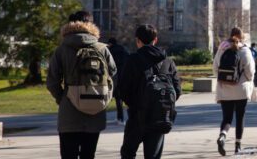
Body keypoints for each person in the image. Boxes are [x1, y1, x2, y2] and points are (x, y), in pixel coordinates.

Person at [46, 11, 117, 159]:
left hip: (69, 111)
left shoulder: (62, 49)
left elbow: (52, 81)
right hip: (95, 109)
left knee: (68, 155)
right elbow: (114, 76)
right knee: (88, 154)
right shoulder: (102, 49)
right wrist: (105, 97)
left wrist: (64, 98)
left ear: (69, 25)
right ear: (91, 25)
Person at [119, 24, 181, 159]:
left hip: (137, 116)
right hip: (160, 117)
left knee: (128, 153)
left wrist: (136, 103)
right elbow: (177, 90)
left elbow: (123, 89)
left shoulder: (132, 60)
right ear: (155, 40)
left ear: (138, 41)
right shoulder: (168, 62)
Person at [213, 27, 255, 156]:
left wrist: (224, 80)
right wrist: (247, 80)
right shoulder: (245, 50)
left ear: (230, 35)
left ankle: (223, 136)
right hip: (241, 90)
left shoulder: (221, 49)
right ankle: (238, 146)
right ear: (241, 37)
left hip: (224, 90)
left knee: (227, 118)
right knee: (240, 117)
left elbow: (215, 68)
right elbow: (250, 71)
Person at [108, 37, 129, 125]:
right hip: (124, 76)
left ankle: (119, 118)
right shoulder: (123, 50)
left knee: (115, 99)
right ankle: (122, 118)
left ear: (111, 43)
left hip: (114, 78)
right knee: (121, 99)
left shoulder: (110, 51)